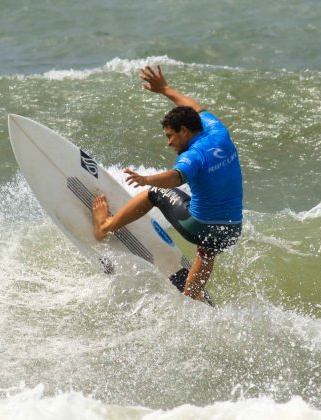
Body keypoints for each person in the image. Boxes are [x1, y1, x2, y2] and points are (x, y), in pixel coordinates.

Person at [92, 65, 243, 303]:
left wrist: (145, 180)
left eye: (170, 135)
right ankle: (192, 296)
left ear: (184, 131)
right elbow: (195, 106)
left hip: (201, 227)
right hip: (231, 230)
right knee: (207, 248)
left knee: (155, 192)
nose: (168, 142)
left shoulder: (193, 156)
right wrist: (165, 89)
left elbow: (175, 177)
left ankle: (105, 225)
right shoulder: (217, 130)